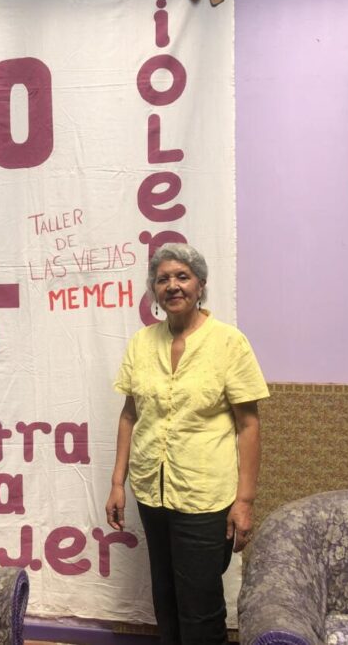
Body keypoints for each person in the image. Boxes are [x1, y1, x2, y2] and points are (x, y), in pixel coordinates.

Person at [105, 243, 269, 645]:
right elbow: (129, 415)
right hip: (151, 492)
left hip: (204, 497)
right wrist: (117, 483)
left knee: (200, 608)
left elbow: (248, 425)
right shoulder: (142, 343)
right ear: (154, 290)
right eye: (163, 279)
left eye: (182, 276)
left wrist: (244, 502)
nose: (173, 286)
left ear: (200, 285)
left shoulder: (229, 343)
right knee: (166, 598)